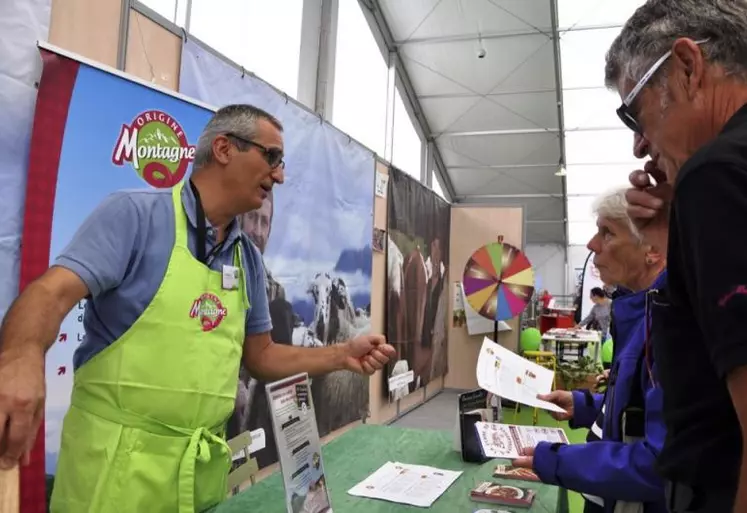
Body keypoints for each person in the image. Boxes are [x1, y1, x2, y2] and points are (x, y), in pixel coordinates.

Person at [0, 104, 395, 513]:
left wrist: (341, 355)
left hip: (200, 481)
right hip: (113, 477)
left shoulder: (248, 259)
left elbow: (260, 356)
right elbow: (50, 294)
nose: (279, 174)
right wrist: (20, 358)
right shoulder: (136, 217)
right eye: (272, 156)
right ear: (224, 148)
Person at [608, 1, 747, 510]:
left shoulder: (717, 174)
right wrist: (675, 235)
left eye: (634, 112)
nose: (640, 145)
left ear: (688, 67)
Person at [514, 188, 667, 513]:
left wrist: (559, 461)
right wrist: (584, 404)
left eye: (607, 233)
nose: (592, 245)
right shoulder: (639, 313)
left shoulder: (669, 324)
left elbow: (663, 462)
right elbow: (640, 410)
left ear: (652, 249)